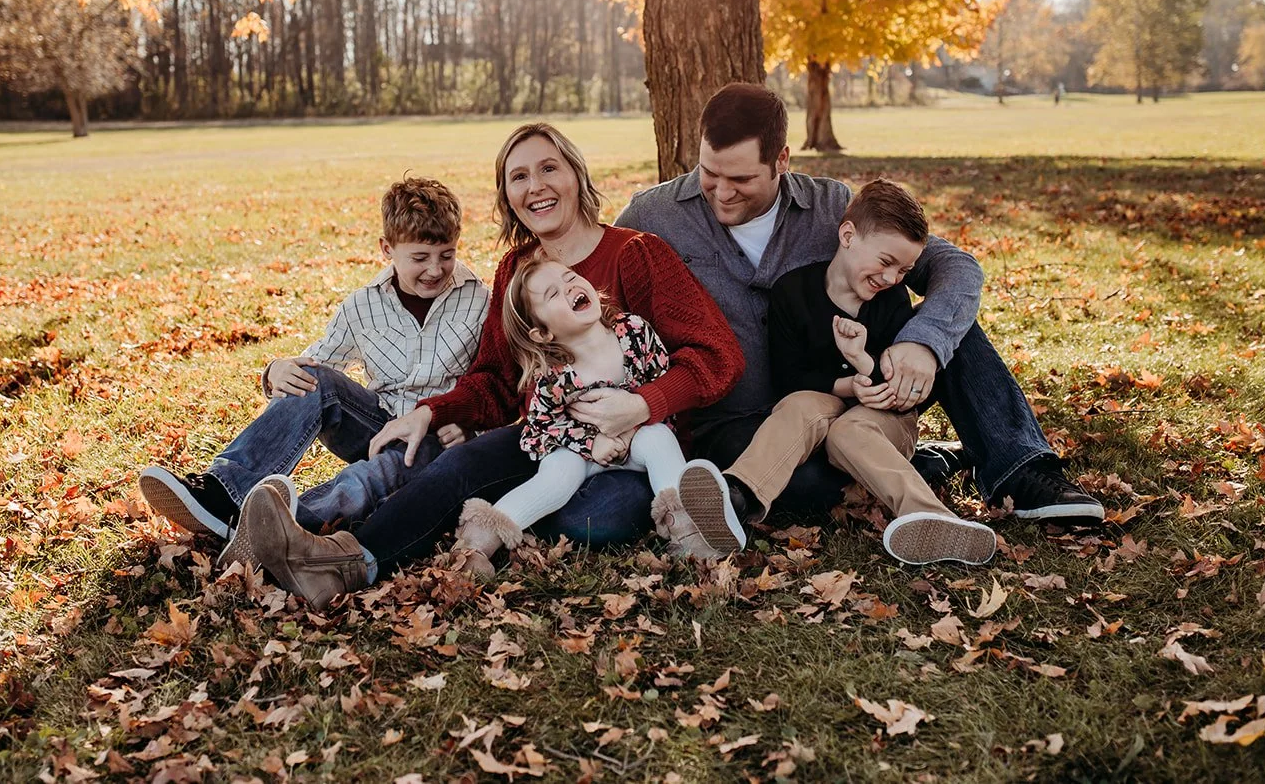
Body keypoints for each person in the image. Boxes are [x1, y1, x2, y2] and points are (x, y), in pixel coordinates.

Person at [225, 123, 746, 610]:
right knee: (457, 465)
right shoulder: (516, 270)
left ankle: (664, 516)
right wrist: (432, 412)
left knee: (592, 519)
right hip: (550, 436)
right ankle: (343, 561)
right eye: (518, 176)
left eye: (548, 168)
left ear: (576, 175)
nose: (535, 186)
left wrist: (643, 403)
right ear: (507, 196)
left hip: (638, 445)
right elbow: (496, 379)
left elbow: (718, 356)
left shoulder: (636, 253)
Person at [615, 84, 1104, 534]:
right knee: (805, 490)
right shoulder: (650, 217)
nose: (722, 192)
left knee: (949, 325)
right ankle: (917, 464)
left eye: (741, 178)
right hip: (739, 422)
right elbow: (593, 281)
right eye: (709, 174)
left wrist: (922, 342)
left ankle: (1021, 467)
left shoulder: (832, 208)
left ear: (782, 159)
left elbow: (955, 267)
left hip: (853, 402)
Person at [135, 177, 487, 555]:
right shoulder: (362, 305)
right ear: (387, 248)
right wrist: (274, 372)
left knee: (369, 477)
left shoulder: (480, 299)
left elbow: (495, 380)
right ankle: (224, 493)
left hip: (437, 437)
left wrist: (471, 425)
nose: (435, 269)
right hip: (380, 424)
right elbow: (315, 363)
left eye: (446, 254)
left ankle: (277, 527)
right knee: (314, 380)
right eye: (420, 258)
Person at [696, 177, 996, 565]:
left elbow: (897, 389)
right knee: (801, 404)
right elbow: (788, 379)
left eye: (904, 271)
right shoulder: (793, 292)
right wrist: (849, 384)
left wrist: (863, 363)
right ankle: (736, 497)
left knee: (849, 429)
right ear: (848, 235)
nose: (891, 278)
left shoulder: (890, 301)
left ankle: (932, 519)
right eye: (886, 262)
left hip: (884, 421)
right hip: (821, 408)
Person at [448, 255, 737, 577]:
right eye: (553, 294)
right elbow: (538, 431)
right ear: (541, 334)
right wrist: (590, 444)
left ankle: (689, 532)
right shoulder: (554, 375)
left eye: (570, 276)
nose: (569, 287)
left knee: (660, 439)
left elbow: (661, 384)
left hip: (637, 440)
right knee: (557, 478)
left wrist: (632, 429)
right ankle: (475, 545)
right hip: (578, 452)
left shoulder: (634, 332)